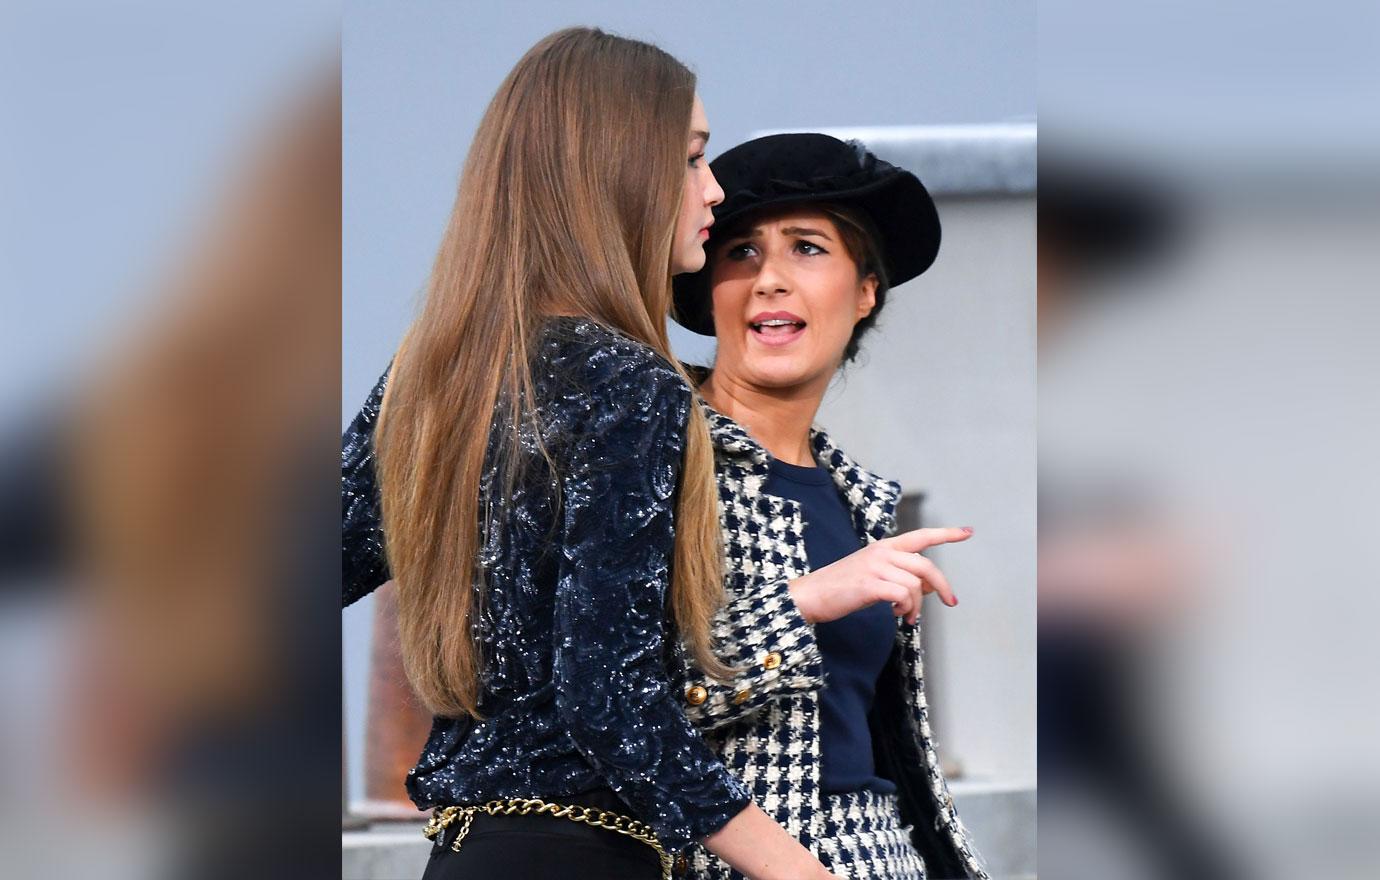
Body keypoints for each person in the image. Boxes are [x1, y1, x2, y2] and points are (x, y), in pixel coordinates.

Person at [342, 29, 841, 880]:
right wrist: (802, 872)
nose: (713, 191)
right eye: (692, 158)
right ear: (617, 172)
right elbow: (609, 699)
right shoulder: (630, 384)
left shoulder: (432, 370)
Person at [667, 133, 989, 879]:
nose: (769, 279)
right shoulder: (656, 459)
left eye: (807, 248)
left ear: (866, 289)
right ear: (707, 288)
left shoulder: (863, 497)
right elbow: (610, 702)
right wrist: (804, 601)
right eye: (741, 252)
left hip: (880, 853)